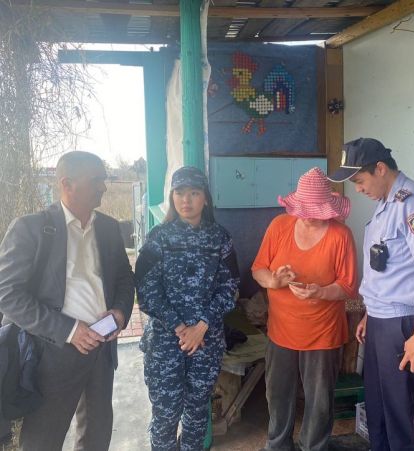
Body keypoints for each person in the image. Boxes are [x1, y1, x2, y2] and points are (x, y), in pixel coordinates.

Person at [0, 151, 135, 451]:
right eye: (96, 180)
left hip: (102, 349)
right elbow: (7, 294)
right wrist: (69, 330)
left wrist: (120, 312)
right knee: (43, 439)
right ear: (67, 184)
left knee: (97, 433)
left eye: (103, 180)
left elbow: (125, 278)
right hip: (53, 353)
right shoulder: (32, 228)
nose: (103, 187)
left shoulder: (108, 228)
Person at [329, 138, 414, 451]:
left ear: (381, 169)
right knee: (379, 408)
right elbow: (387, 269)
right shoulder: (386, 204)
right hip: (381, 322)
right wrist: (369, 314)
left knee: (403, 415)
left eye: (360, 180)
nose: (358, 189)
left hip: (404, 325)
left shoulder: (413, 203)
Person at [252, 167, 358, 451]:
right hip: (281, 330)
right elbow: (258, 268)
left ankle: (314, 446)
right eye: (304, 209)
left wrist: (320, 292)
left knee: (319, 401)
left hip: (323, 333)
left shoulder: (340, 235)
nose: (309, 216)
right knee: (277, 394)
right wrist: (273, 281)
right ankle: (278, 445)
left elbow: (348, 286)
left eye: (315, 210)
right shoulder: (279, 226)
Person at [135, 166, 239, 451]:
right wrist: (181, 328)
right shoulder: (159, 237)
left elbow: (230, 286)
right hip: (166, 343)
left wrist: (201, 326)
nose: (186, 200)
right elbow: (145, 290)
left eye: (194, 193)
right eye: (180, 193)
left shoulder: (220, 238)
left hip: (205, 342)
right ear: (172, 197)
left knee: (196, 414)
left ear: (205, 198)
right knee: (165, 416)